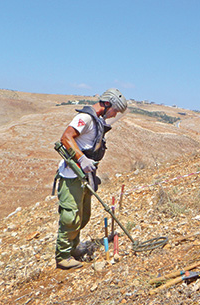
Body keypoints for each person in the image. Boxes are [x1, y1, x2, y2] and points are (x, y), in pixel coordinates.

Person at [55, 88, 127, 270]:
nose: (114, 115)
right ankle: (63, 257)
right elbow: (66, 137)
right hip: (72, 176)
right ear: (107, 104)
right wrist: (81, 158)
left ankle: (73, 248)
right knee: (70, 217)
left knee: (83, 216)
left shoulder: (97, 121)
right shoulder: (85, 118)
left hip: (86, 176)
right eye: (115, 111)